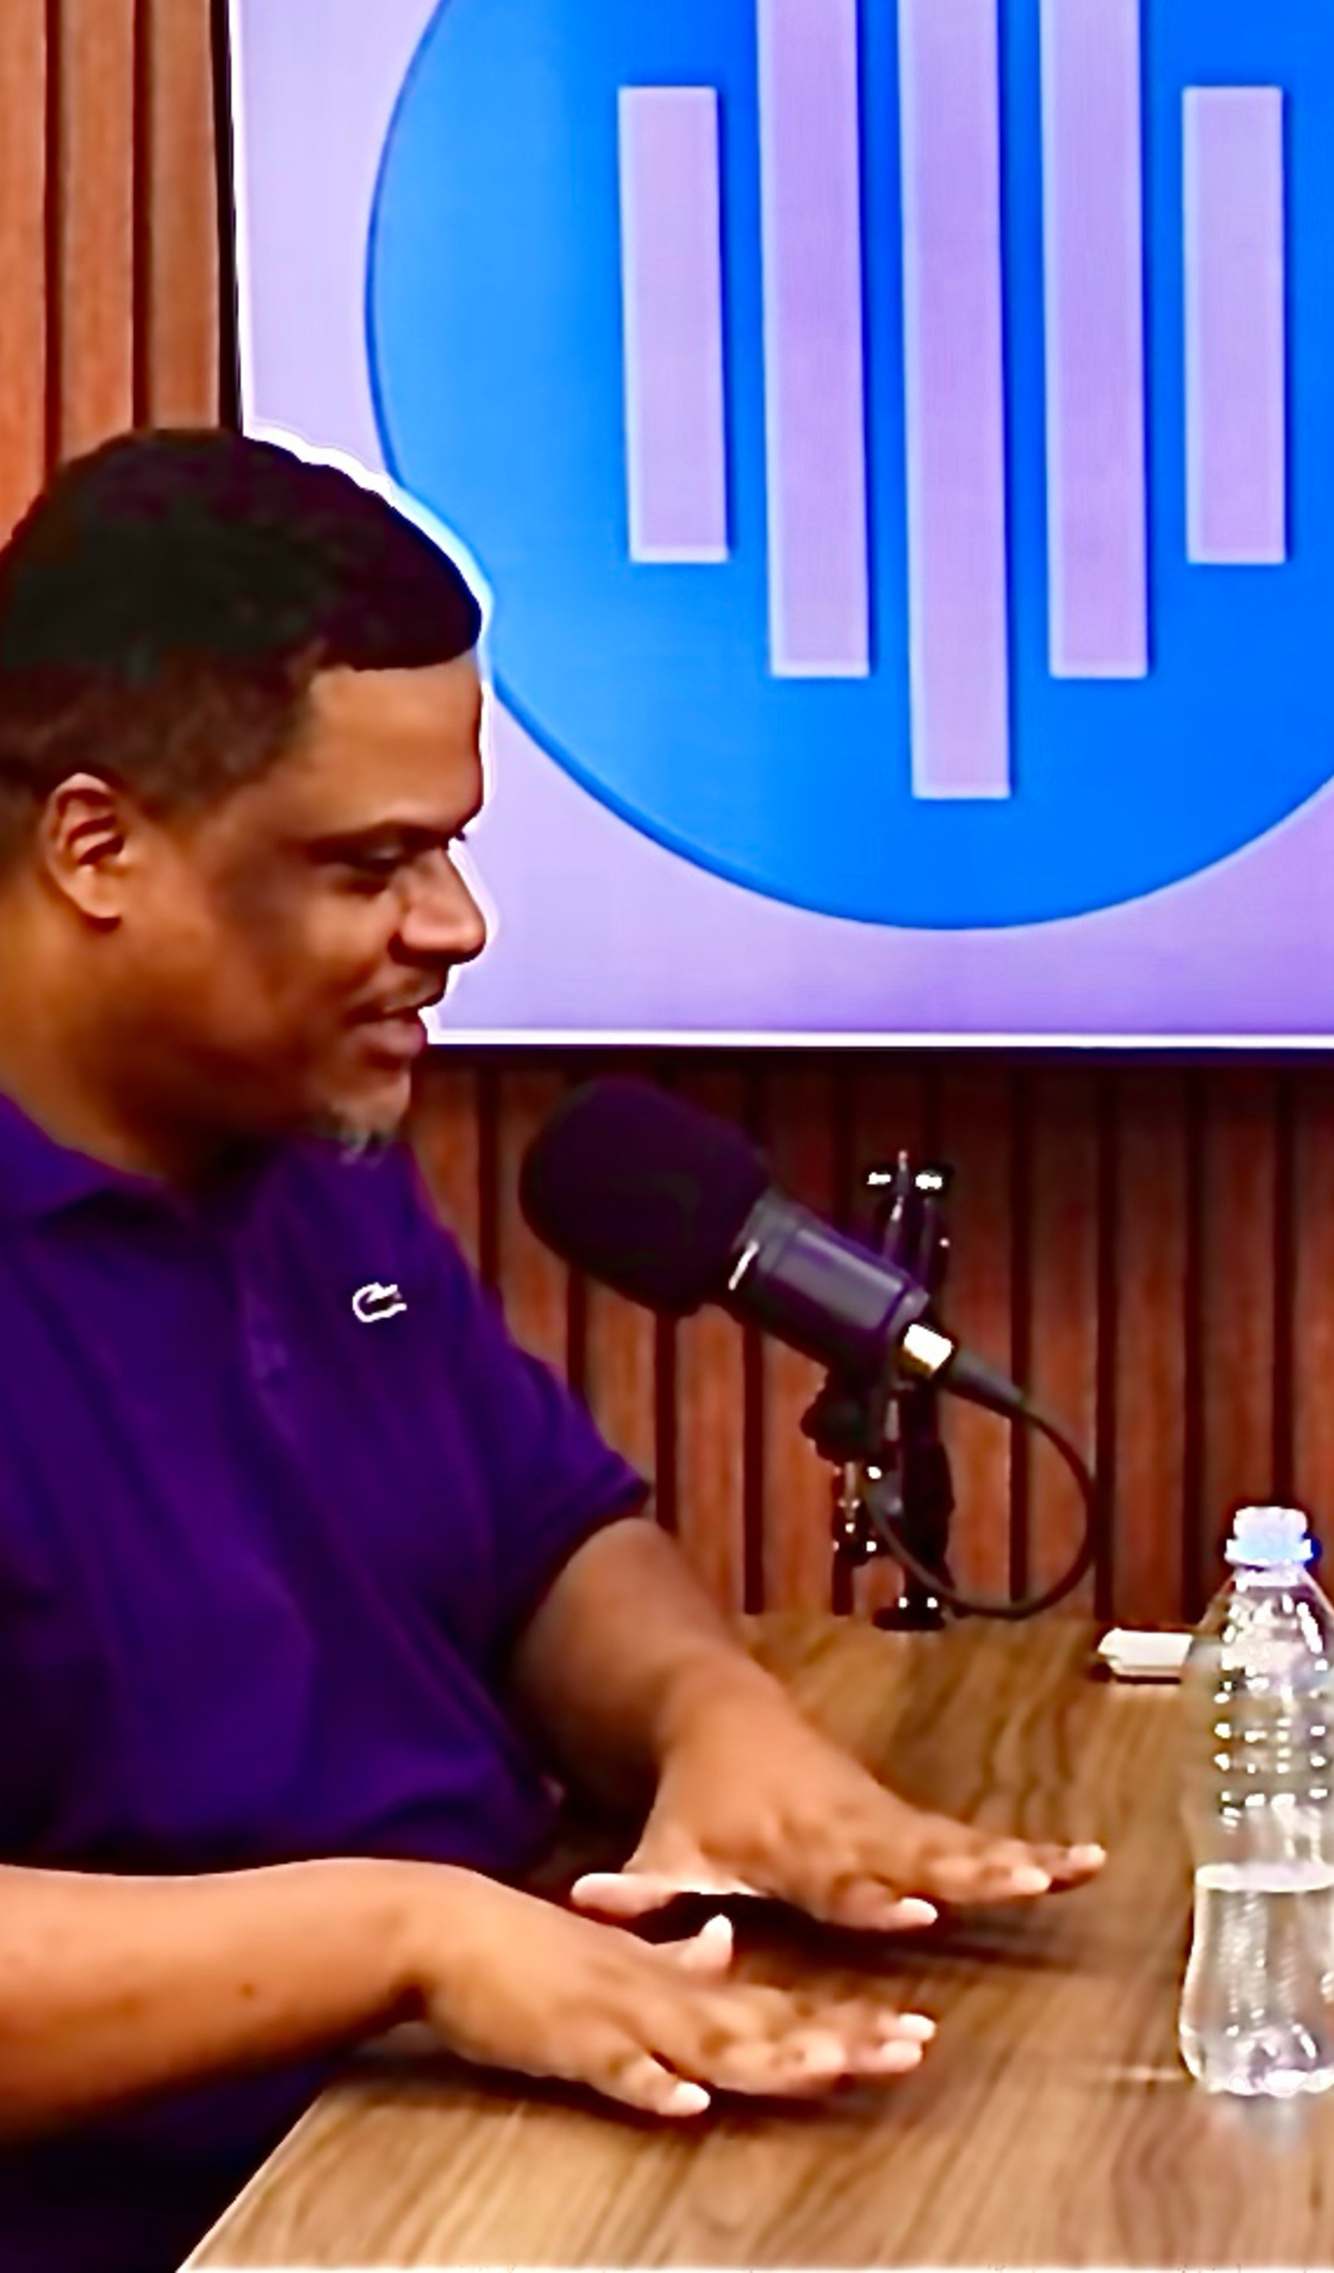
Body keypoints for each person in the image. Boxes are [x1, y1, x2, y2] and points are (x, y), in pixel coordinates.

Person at [0, 431, 1104, 2273]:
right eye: (372, 865)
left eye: (452, 846)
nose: (456, 928)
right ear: (98, 849)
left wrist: (709, 1718)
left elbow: (542, 1543)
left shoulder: (309, 1151)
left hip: (488, 2136)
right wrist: (412, 1937)